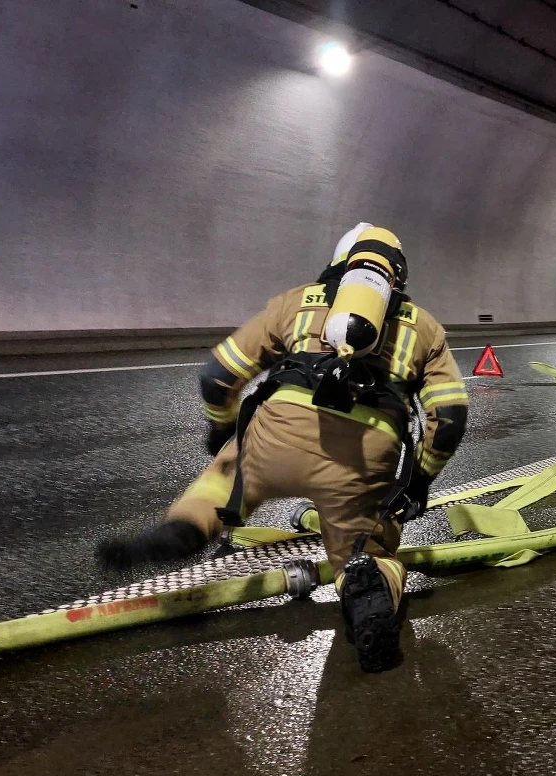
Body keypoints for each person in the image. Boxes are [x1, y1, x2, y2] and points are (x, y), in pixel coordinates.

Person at [97, 224, 469, 672]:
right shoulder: (424, 327)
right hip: (363, 460)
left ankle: (186, 528)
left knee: (223, 485)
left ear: (338, 262)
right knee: (370, 552)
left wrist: (222, 432)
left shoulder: (297, 301)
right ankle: (366, 586)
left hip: (274, 439)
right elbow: (448, 419)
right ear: (398, 280)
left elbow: (217, 375)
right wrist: (419, 480)